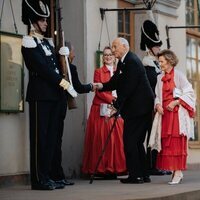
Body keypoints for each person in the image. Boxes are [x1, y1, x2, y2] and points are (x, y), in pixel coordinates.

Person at [21, 0, 77, 190]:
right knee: (40, 139)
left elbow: (55, 66)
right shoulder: (29, 43)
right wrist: (63, 82)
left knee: (51, 138)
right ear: (33, 22)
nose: (45, 23)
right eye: (42, 20)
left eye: (45, 20)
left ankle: (48, 175)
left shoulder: (46, 43)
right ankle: (39, 179)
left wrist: (62, 56)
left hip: (53, 96)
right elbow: (43, 69)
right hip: (40, 96)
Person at [97, 38, 154, 184]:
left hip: (139, 109)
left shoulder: (132, 61)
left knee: (130, 141)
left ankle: (135, 175)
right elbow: (116, 81)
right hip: (138, 108)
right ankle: (143, 174)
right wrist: (100, 86)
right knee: (136, 142)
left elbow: (128, 87)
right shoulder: (124, 61)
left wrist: (116, 106)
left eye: (115, 47)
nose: (113, 49)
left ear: (124, 46)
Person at [50, 42, 95, 184]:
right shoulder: (68, 67)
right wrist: (91, 87)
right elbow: (78, 87)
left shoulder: (59, 66)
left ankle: (57, 175)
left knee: (56, 142)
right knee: (55, 142)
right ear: (68, 53)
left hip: (57, 107)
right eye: (73, 52)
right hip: (57, 107)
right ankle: (56, 175)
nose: (74, 55)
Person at [149, 49, 195, 184]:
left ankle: (178, 172)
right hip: (165, 116)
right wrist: (157, 105)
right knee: (167, 145)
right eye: (159, 61)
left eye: (162, 61)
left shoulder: (179, 75)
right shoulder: (159, 77)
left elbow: (190, 93)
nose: (160, 64)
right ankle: (175, 172)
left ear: (169, 61)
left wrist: (176, 102)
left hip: (176, 116)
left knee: (176, 143)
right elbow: (157, 96)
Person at [82, 46, 126, 178]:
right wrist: (113, 99)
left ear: (114, 56)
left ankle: (116, 167)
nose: (108, 57)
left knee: (117, 138)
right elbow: (98, 90)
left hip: (116, 107)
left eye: (110, 54)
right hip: (101, 108)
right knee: (101, 139)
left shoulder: (120, 71)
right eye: (105, 55)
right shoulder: (98, 71)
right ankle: (102, 168)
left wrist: (120, 100)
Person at [140, 20, 171, 176]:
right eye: (156, 46)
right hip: (151, 104)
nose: (159, 48)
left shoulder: (158, 64)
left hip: (161, 103)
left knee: (160, 134)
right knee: (152, 135)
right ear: (150, 48)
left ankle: (158, 163)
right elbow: (149, 86)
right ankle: (151, 165)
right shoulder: (147, 65)